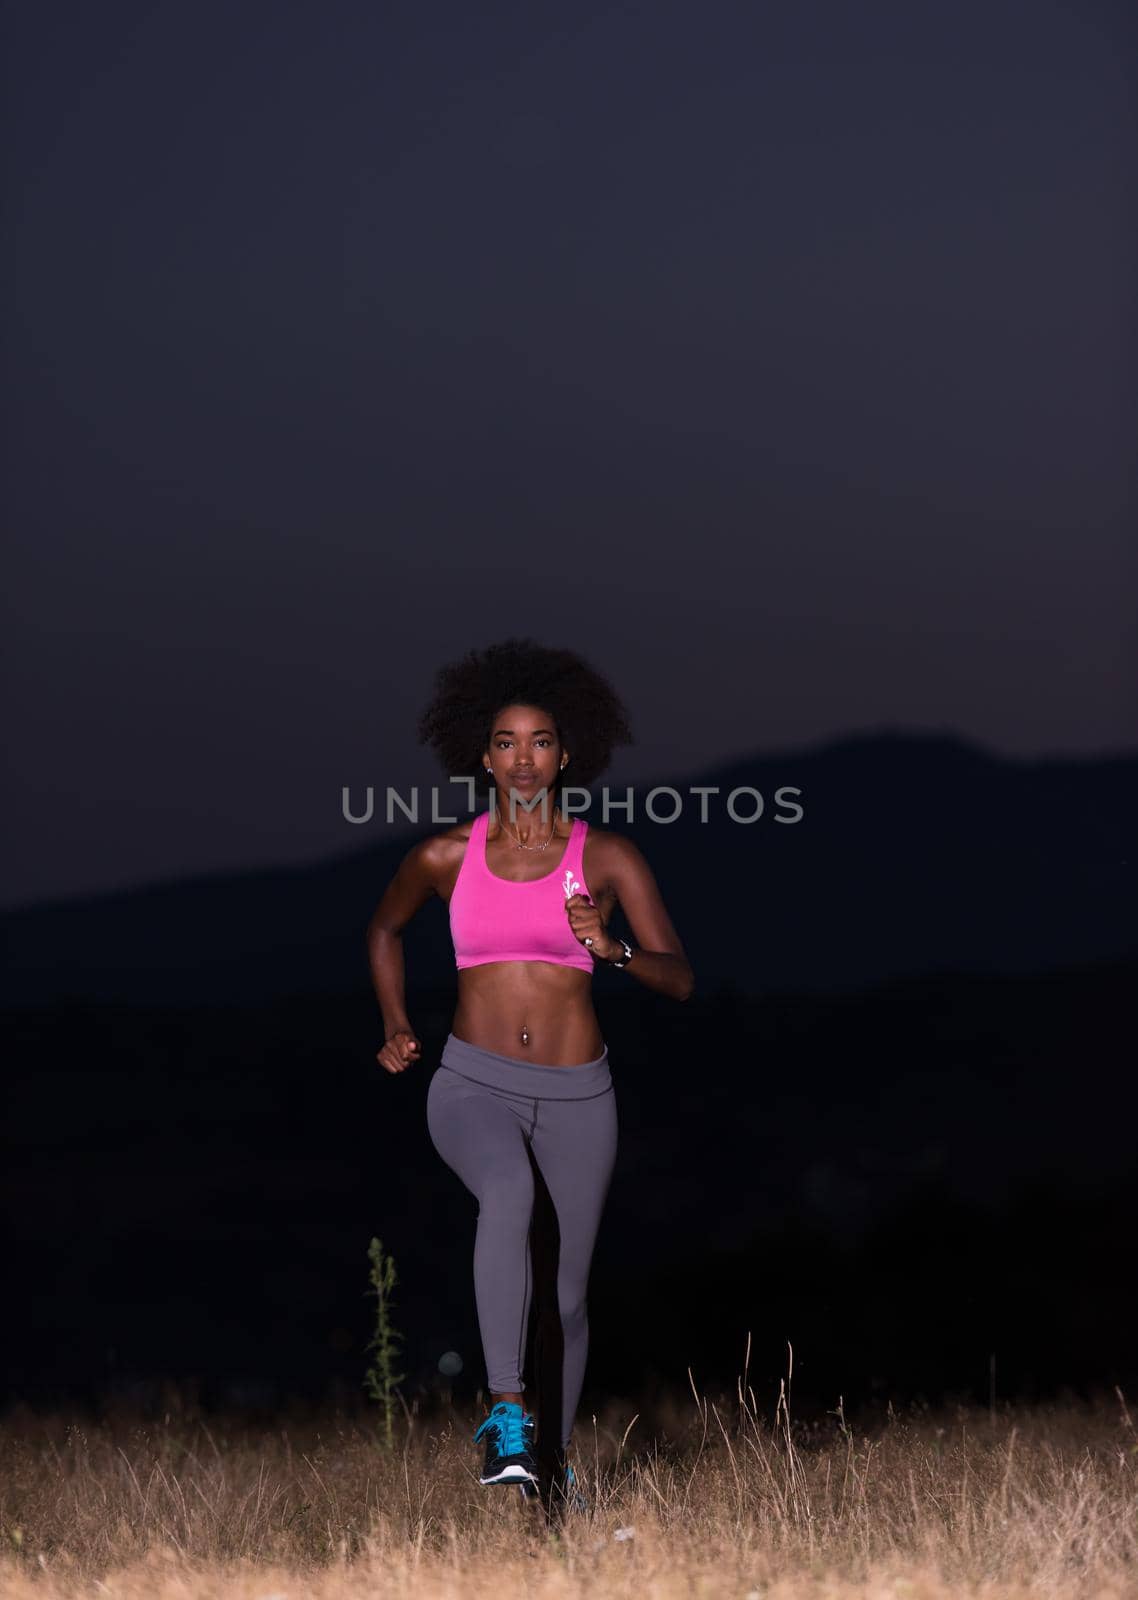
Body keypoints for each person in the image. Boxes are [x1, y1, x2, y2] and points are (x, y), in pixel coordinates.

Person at [366, 637, 694, 1513]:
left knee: (570, 1300)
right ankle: (506, 1415)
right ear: (482, 755)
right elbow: (383, 931)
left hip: (579, 1092)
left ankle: (552, 1470)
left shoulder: (610, 859)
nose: (523, 758)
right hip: (471, 1083)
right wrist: (398, 1025)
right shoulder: (444, 856)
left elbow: (681, 975)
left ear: (565, 753)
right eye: (506, 742)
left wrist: (612, 949)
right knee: (506, 1194)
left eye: (540, 741)